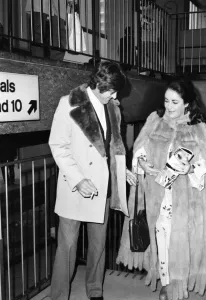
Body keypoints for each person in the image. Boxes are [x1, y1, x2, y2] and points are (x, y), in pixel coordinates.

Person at [117, 79, 206, 300]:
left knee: (179, 242)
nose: (170, 106)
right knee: (161, 239)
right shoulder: (155, 120)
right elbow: (139, 147)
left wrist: (190, 167)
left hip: (185, 200)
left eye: (175, 102)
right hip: (157, 195)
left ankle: (176, 283)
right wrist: (142, 162)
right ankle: (166, 284)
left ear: (187, 104)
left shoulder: (198, 127)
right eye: (166, 101)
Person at [48, 61, 136, 300]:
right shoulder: (68, 103)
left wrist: (122, 170)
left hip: (103, 187)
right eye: (111, 90)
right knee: (67, 248)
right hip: (75, 188)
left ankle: (95, 290)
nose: (115, 95)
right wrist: (77, 179)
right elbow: (58, 146)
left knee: (99, 245)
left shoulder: (113, 108)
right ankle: (58, 296)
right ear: (98, 83)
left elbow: (113, 146)